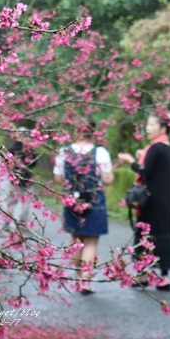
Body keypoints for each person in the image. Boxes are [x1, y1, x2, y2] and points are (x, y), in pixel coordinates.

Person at [53, 118, 114, 294]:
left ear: (75, 131)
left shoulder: (64, 151)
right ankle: (86, 282)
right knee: (91, 240)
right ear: (92, 132)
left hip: (72, 200)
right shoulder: (100, 152)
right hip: (94, 201)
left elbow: (58, 178)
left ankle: (78, 276)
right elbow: (107, 179)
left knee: (76, 239)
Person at [117, 112, 170, 291]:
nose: (147, 128)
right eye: (147, 124)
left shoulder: (156, 147)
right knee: (163, 235)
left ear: (162, 128)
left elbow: (145, 171)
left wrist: (130, 161)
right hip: (165, 201)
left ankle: (143, 274)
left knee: (144, 234)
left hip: (151, 201)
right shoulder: (166, 147)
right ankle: (164, 276)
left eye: (152, 125)